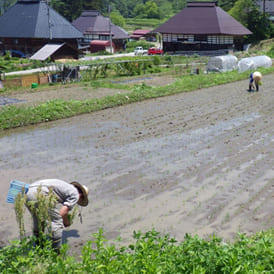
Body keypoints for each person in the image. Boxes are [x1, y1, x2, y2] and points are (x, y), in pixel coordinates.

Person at [26, 179, 88, 250]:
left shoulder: (67, 188)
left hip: (28, 192)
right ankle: (56, 253)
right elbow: (62, 213)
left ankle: (38, 246)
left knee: (39, 219)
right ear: (81, 195)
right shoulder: (76, 195)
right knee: (57, 222)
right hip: (41, 194)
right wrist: (66, 222)